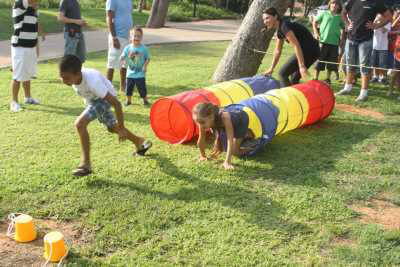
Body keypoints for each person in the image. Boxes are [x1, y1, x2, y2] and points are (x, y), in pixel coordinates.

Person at [58, 55, 153, 177]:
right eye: (61, 77)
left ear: (77, 73)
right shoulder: (75, 77)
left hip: (105, 99)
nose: (63, 80)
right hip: (94, 100)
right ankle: (140, 142)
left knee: (80, 124)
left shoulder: (93, 82)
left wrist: (123, 127)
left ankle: (86, 164)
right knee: (112, 127)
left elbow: (117, 104)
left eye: (66, 78)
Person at [336, 0, 392, 102]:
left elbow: (389, 16)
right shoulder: (352, 1)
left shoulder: (376, 3)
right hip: (351, 38)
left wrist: (376, 26)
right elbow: (343, 13)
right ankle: (347, 88)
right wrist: (347, 23)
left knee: (364, 66)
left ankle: (363, 93)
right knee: (350, 64)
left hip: (366, 40)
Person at [263, 7, 320, 87]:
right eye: (264, 19)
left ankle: (286, 98)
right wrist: (271, 68)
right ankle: (295, 97)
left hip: (310, 50)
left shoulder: (284, 26)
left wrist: (302, 66)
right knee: (294, 79)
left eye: (267, 18)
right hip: (311, 51)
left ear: (275, 16)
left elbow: (296, 45)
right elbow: (277, 51)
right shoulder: (280, 31)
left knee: (282, 73)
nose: (265, 21)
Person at [193, 102, 253, 170]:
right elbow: (201, 139)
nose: (200, 125)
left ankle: (248, 139)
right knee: (220, 147)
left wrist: (227, 162)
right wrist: (202, 156)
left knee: (234, 151)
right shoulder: (202, 121)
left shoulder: (225, 118)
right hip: (224, 123)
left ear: (211, 117)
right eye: (197, 122)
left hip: (241, 121)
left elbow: (229, 140)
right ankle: (242, 136)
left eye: (202, 123)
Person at [10, 0, 41, 112]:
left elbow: (34, 26)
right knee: (17, 75)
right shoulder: (19, 3)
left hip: (30, 46)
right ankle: (14, 102)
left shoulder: (33, 8)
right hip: (20, 46)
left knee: (27, 73)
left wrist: (36, 44)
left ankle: (28, 98)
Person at [313, 0, 345, 83]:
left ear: (339, 6)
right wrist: (316, 33)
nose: (334, 5)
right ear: (330, 5)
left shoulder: (339, 17)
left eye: (336, 4)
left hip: (334, 43)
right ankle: (315, 78)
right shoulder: (324, 13)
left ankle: (328, 78)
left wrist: (341, 39)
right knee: (320, 59)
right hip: (323, 41)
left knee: (332, 62)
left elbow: (343, 28)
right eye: (333, 3)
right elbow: (314, 22)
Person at [106, 0, 133, 93]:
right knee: (112, 63)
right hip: (117, 36)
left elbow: (127, 15)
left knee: (125, 62)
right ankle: (107, 88)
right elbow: (109, 18)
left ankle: (123, 87)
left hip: (127, 36)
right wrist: (114, 37)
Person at [119, 27, 150, 106]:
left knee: (142, 88)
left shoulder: (144, 48)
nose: (136, 38)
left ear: (142, 37)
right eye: (134, 36)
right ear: (130, 37)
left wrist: (145, 66)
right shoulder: (128, 48)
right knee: (129, 88)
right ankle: (128, 101)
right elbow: (123, 56)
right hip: (130, 73)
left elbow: (147, 58)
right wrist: (122, 58)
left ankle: (145, 100)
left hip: (140, 73)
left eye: (139, 36)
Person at [370, 13, 391, 84]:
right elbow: (371, 27)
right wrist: (375, 22)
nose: (378, 18)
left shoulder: (388, 23)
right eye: (377, 17)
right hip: (374, 46)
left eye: (380, 17)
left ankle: (383, 77)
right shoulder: (375, 22)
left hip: (383, 47)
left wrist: (379, 23)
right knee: (374, 63)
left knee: (383, 64)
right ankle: (375, 76)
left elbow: (383, 31)